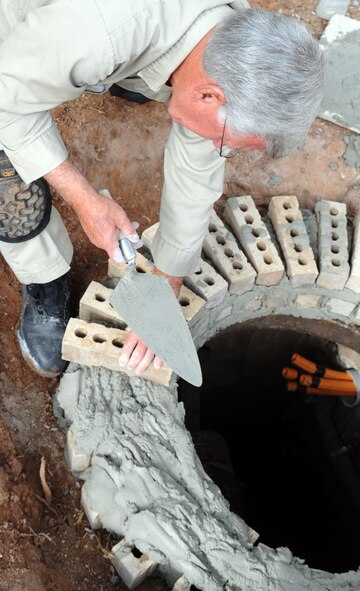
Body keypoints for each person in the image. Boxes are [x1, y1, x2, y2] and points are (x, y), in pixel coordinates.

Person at [0, 0, 324, 378]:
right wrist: (82, 198)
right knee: (8, 172)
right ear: (209, 95)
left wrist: (168, 276)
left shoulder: (230, 38)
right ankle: (44, 277)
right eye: (227, 143)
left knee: (165, 90)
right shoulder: (99, 34)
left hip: (110, 41)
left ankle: (130, 76)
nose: (222, 151)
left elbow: (197, 167)